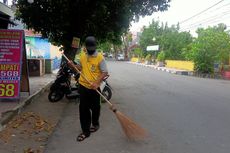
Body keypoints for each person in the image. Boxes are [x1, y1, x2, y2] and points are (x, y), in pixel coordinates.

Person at [69, 36, 108, 142]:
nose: (90, 50)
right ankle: (85, 131)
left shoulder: (100, 58)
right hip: (83, 86)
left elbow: (105, 72)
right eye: (88, 48)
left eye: (92, 48)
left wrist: (96, 83)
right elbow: (81, 68)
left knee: (96, 108)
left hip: (95, 88)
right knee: (83, 109)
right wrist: (73, 66)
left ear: (95, 46)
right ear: (86, 47)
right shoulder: (82, 56)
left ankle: (95, 124)